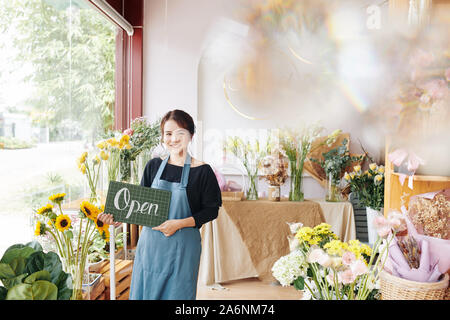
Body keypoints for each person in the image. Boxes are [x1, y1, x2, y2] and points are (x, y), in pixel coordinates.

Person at [98, 109, 222, 300]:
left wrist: (178, 224)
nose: (173, 139)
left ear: (191, 136)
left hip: (183, 248)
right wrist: (118, 219)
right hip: (151, 248)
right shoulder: (153, 166)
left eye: (180, 133)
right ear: (162, 136)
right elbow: (138, 206)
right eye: (168, 133)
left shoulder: (202, 171)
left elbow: (211, 211)